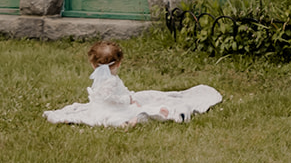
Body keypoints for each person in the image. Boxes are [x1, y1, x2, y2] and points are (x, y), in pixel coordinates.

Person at [44, 40, 222, 127]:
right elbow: (111, 97)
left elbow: (102, 95)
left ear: (92, 64)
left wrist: (127, 96)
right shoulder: (110, 82)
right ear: (119, 63)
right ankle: (135, 120)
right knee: (121, 115)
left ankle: (72, 118)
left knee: (99, 117)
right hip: (112, 108)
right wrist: (129, 100)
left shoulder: (101, 79)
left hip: (98, 107)